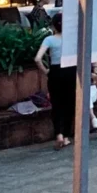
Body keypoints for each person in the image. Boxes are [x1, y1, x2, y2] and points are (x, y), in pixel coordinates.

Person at [34, 14, 75, 151]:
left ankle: (58, 134)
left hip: (55, 72)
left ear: (53, 26)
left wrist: (46, 72)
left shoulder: (49, 39)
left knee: (56, 105)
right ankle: (67, 136)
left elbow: (38, 58)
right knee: (70, 104)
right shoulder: (71, 39)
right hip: (70, 71)